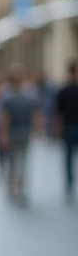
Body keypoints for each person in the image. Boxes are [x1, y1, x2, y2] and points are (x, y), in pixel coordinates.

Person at [0, 63, 43, 206]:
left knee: (13, 162)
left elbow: (5, 118)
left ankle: (13, 188)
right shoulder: (29, 95)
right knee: (22, 162)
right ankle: (19, 189)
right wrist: (38, 131)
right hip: (23, 133)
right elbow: (36, 116)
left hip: (15, 133)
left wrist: (3, 134)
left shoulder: (8, 96)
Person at [55, 60, 78, 202]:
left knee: (69, 157)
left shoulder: (63, 90)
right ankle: (69, 184)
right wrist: (58, 130)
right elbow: (59, 113)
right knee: (69, 157)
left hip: (71, 127)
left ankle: (70, 184)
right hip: (69, 126)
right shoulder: (64, 91)